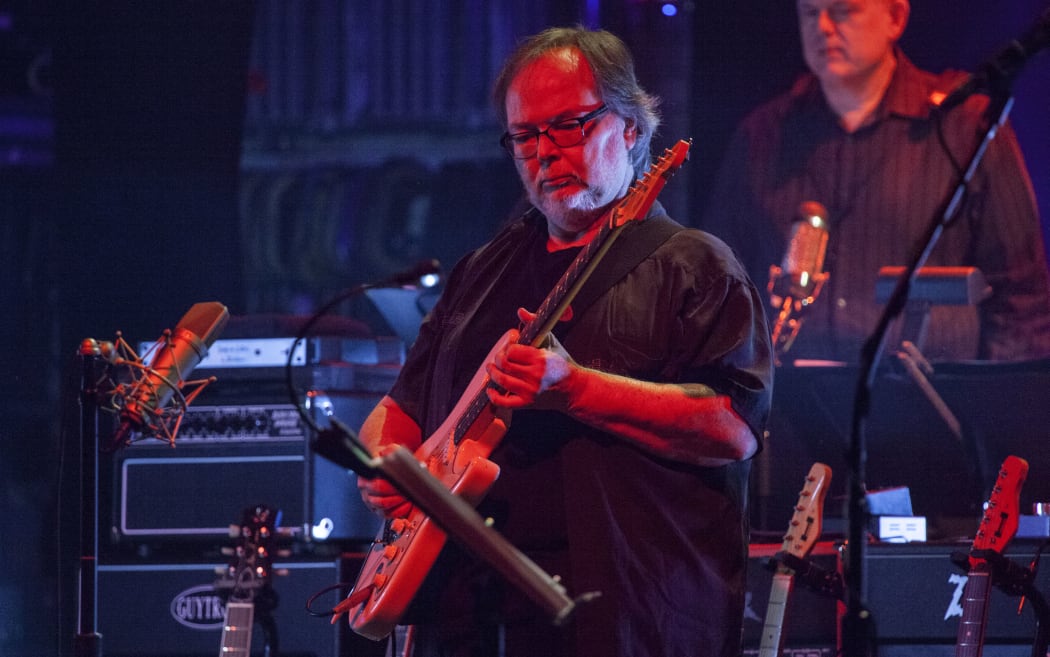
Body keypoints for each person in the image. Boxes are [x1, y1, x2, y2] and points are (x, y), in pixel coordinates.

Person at [355, 26, 773, 657]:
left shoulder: (693, 264)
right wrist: (386, 464)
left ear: (631, 129)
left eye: (571, 126)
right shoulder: (481, 270)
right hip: (468, 616)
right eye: (526, 136)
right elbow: (401, 407)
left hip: (625, 616)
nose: (546, 152)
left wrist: (577, 389)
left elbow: (733, 427)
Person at [703, 0, 1050, 364]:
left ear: (895, 18)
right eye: (809, 12)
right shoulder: (761, 135)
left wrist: (993, 409)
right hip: (791, 407)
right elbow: (719, 286)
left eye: (843, 10)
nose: (822, 26)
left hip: (926, 406)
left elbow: (1023, 300)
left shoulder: (964, 125)